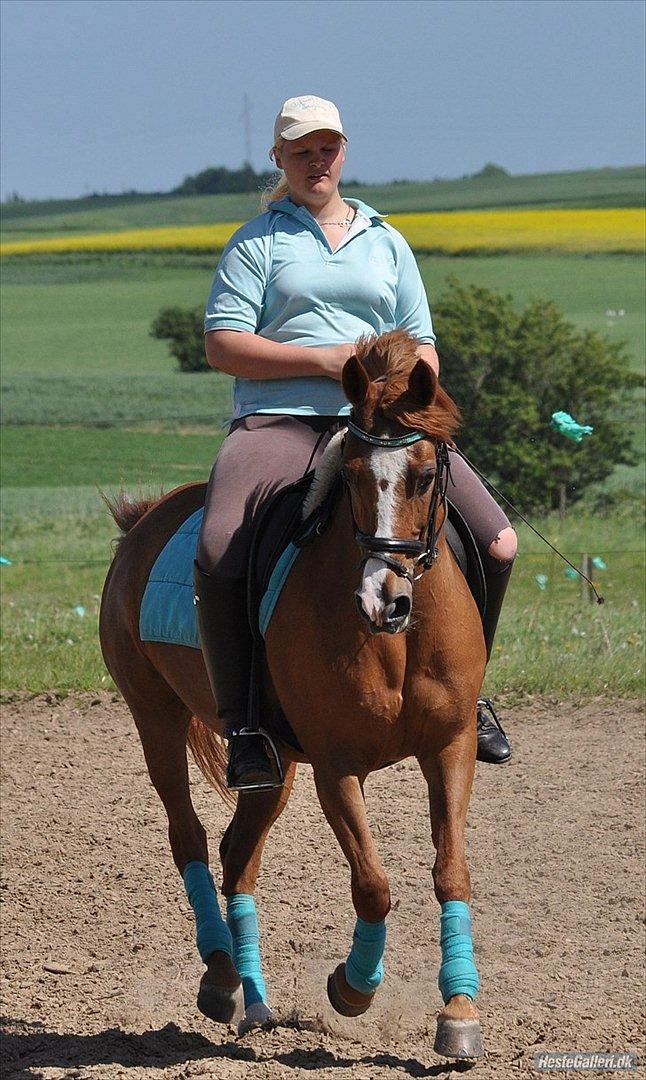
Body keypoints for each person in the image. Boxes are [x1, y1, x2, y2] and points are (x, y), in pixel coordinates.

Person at [194, 95, 516, 792]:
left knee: (498, 543)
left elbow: (421, 337)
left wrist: (416, 391)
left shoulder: (384, 239)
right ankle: (247, 725)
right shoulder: (257, 242)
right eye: (302, 150)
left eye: (328, 148)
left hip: (385, 426)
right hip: (280, 420)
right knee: (220, 549)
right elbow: (222, 344)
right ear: (279, 158)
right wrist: (322, 361)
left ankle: (471, 696)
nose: (317, 161)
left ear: (344, 153)